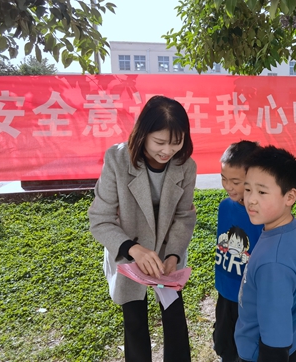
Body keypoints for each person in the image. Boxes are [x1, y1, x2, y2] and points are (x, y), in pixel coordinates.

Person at [88, 95, 196, 362]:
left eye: (176, 142)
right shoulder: (117, 161)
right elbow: (100, 219)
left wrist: (172, 254)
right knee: (134, 321)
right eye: (159, 142)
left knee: (174, 317)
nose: (167, 151)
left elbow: (184, 216)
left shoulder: (186, 166)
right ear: (142, 134)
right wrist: (134, 249)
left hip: (168, 253)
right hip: (129, 253)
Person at [234, 146, 296, 362]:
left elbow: (276, 345)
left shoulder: (273, 263)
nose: (251, 200)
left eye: (262, 192)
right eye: (247, 190)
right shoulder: (289, 229)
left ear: (290, 196)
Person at [213, 141, 264, 362]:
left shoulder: (263, 216)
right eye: (224, 179)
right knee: (225, 346)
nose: (228, 186)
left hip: (251, 302)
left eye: (236, 181)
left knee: (248, 352)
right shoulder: (225, 206)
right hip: (225, 293)